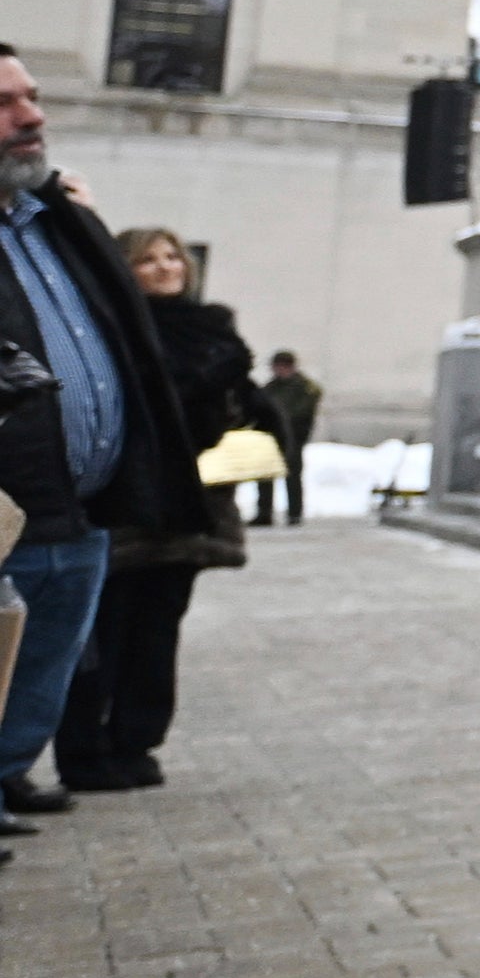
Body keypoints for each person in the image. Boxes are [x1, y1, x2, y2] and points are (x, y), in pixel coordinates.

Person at [0, 51, 221, 978]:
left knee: (15, 732)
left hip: (79, 522)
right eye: (4, 104)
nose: (28, 115)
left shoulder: (54, 221)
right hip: (11, 525)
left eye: (31, 97)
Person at [54, 226, 252, 795]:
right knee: (103, 632)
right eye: (147, 260)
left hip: (189, 505)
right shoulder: (109, 327)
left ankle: (137, 742)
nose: (166, 268)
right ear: (123, 269)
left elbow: (224, 414)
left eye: (173, 257)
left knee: (158, 628)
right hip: (125, 499)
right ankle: (84, 751)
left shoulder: (212, 330)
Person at [252, 351, 320, 523]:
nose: (278, 370)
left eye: (282, 366)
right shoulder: (271, 387)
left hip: (294, 437)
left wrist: (279, 417)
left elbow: (302, 410)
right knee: (265, 475)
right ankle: (264, 513)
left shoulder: (304, 387)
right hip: (272, 437)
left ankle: (294, 513)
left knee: (292, 476)